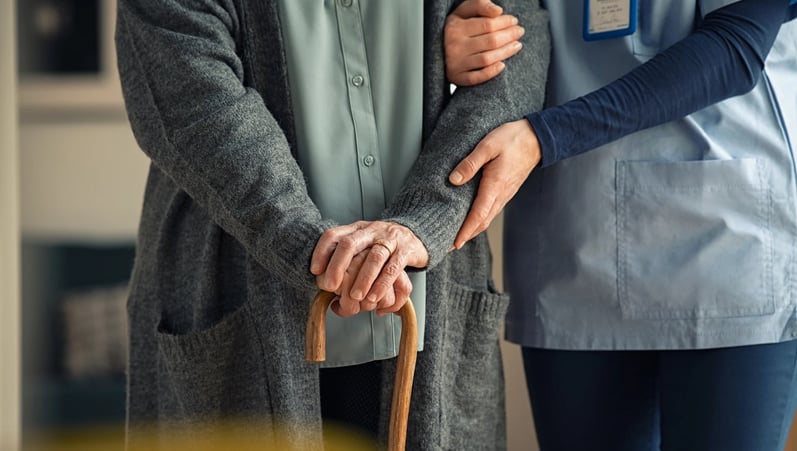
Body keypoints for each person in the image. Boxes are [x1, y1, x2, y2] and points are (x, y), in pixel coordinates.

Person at [115, 0, 548, 449]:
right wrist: (314, 247)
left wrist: (423, 223)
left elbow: (515, 56)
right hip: (241, 299)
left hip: (428, 302)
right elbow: (194, 102)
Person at [442, 0, 797, 450]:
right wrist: (447, 49)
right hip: (574, 241)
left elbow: (736, 46)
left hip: (725, 248)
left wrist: (545, 136)